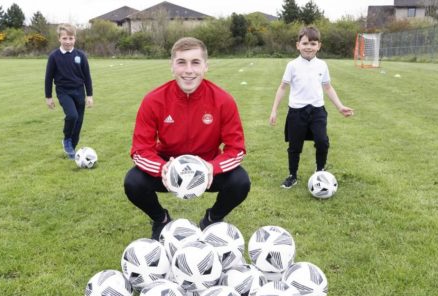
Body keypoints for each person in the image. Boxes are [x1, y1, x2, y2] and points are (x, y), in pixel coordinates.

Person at [124, 37, 251, 240]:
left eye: (195, 62)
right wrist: (162, 168)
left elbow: (236, 149)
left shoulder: (224, 101)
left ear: (205, 66)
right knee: (133, 181)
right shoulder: (153, 100)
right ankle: (161, 220)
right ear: (172, 66)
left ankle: (212, 220)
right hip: (168, 166)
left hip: (208, 167)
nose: (188, 70)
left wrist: (212, 167)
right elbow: (140, 150)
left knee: (240, 181)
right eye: (181, 62)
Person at [269, 26, 354, 188]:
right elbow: (282, 87)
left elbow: (328, 87)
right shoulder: (292, 65)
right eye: (305, 43)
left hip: (317, 111)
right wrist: (274, 110)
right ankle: (292, 175)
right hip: (297, 112)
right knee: (295, 147)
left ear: (319, 46)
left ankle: (320, 171)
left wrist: (340, 106)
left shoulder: (322, 65)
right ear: (298, 45)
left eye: (313, 43)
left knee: (322, 141)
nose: (309, 47)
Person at [44, 23, 94, 159]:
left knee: (78, 123)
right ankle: (66, 139)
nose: (68, 41)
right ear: (59, 39)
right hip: (63, 92)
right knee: (72, 116)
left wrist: (89, 95)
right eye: (65, 38)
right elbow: (48, 78)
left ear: (75, 39)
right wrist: (48, 97)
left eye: (70, 38)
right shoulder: (54, 56)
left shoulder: (81, 56)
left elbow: (87, 77)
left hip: (79, 92)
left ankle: (72, 149)